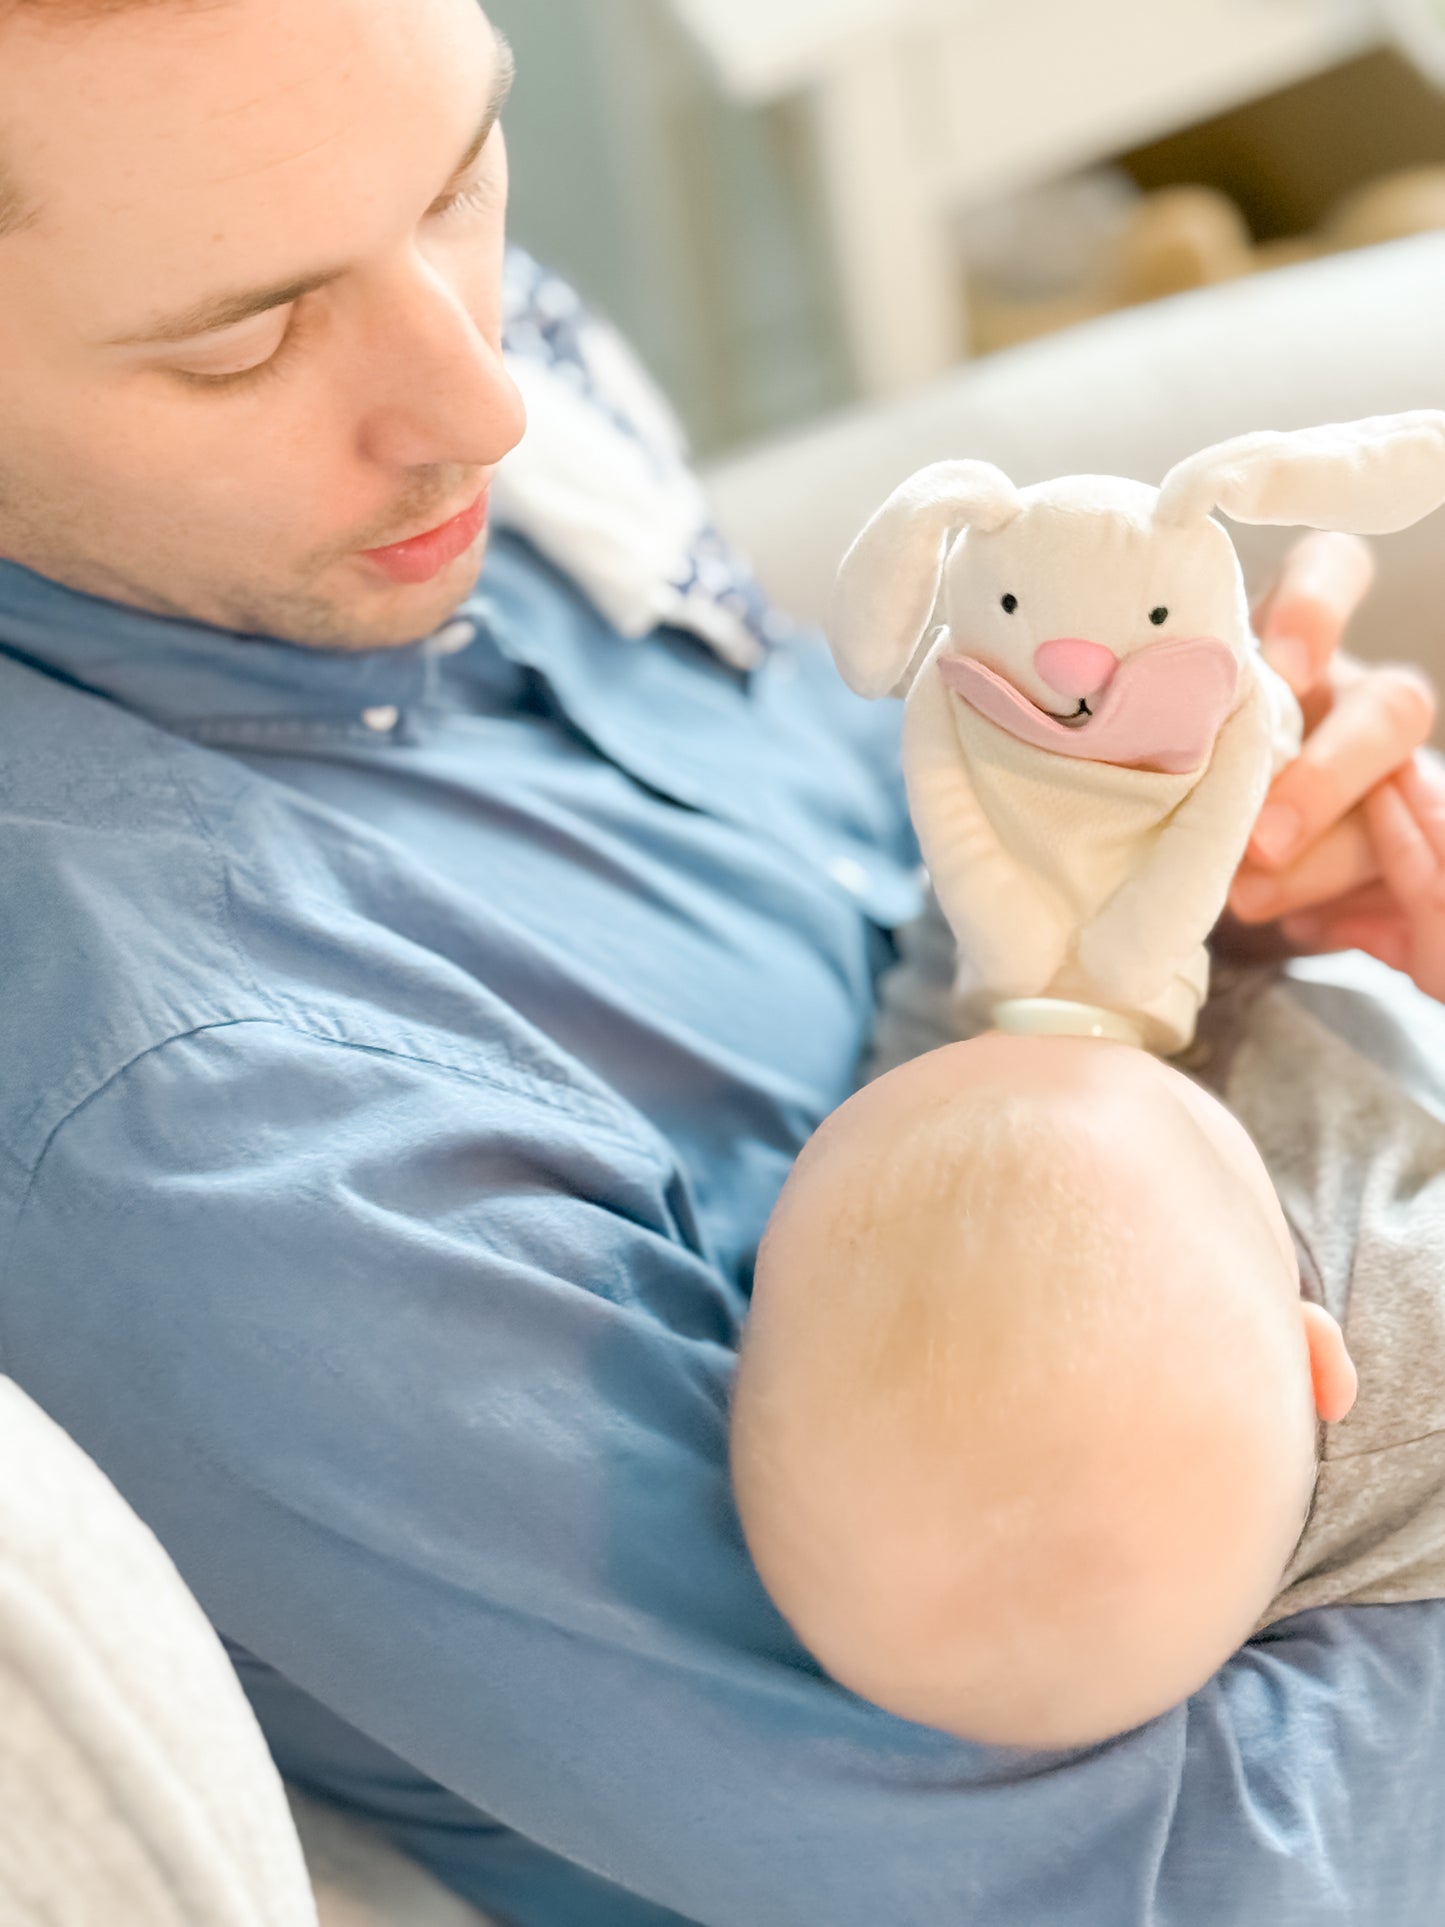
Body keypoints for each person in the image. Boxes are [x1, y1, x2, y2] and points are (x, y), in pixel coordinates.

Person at [0, 0, 1443, 1920]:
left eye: (459, 184)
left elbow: (847, 807)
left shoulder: (355, 346)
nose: (489, 404)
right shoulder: (206, 1138)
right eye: (239, 344)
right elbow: (1173, 1871)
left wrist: (1164, 879)